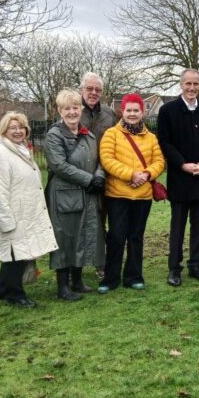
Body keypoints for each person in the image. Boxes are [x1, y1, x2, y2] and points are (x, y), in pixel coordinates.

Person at [157, 68, 199, 286]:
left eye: (195, 84)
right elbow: (164, 142)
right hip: (180, 179)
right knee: (177, 227)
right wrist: (182, 164)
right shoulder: (168, 111)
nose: (192, 88)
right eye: (188, 84)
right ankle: (174, 268)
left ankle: (195, 265)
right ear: (181, 85)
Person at [0, 112, 59, 308]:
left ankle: (3, 290)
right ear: (4, 130)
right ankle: (14, 294)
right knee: (15, 253)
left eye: (21, 127)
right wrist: (5, 218)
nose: (18, 131)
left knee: (18, 251)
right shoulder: (0, 153)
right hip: (13, 212)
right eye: (13, 128)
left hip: (25, 211)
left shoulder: (20, 149)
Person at [98, 93, 165, 293]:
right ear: (123, 111)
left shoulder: (151, 138)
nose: (133, 114)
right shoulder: (111, 134)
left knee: (136, 237)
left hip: (142, 196)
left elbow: (159, 161)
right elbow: (107, 159)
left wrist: (146, 174)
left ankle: (134, 276)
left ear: (142, 112)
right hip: (117, 194)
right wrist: (131, 175)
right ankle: (111, 278)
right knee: (116, 236)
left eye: (136, 110)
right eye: (129, 110)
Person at [44, 89, 106, 301]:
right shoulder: (54, 135)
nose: (72, 112)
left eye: (75, 107)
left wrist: (99, 177)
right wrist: (89, 180)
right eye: (67, 108)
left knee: (82, 235)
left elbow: (99, 161)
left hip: (87, 194)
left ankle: (77, 281)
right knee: (65, 238)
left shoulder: (88, 135)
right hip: (65, 195)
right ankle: (63, 287)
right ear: (60, 111)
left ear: (81, 109)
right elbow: (59, 165)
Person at [78, 72, 117, 280]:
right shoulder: (74, 111)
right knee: (81, 222)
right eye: (89, 89)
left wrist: (101, 172)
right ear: (82, 89)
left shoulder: (109, 114)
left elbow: (114, 144)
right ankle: (75, 265)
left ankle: (102, 262)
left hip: (105, 174)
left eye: (98, 90)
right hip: (80, 175)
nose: (93, 93)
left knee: (103, 219)